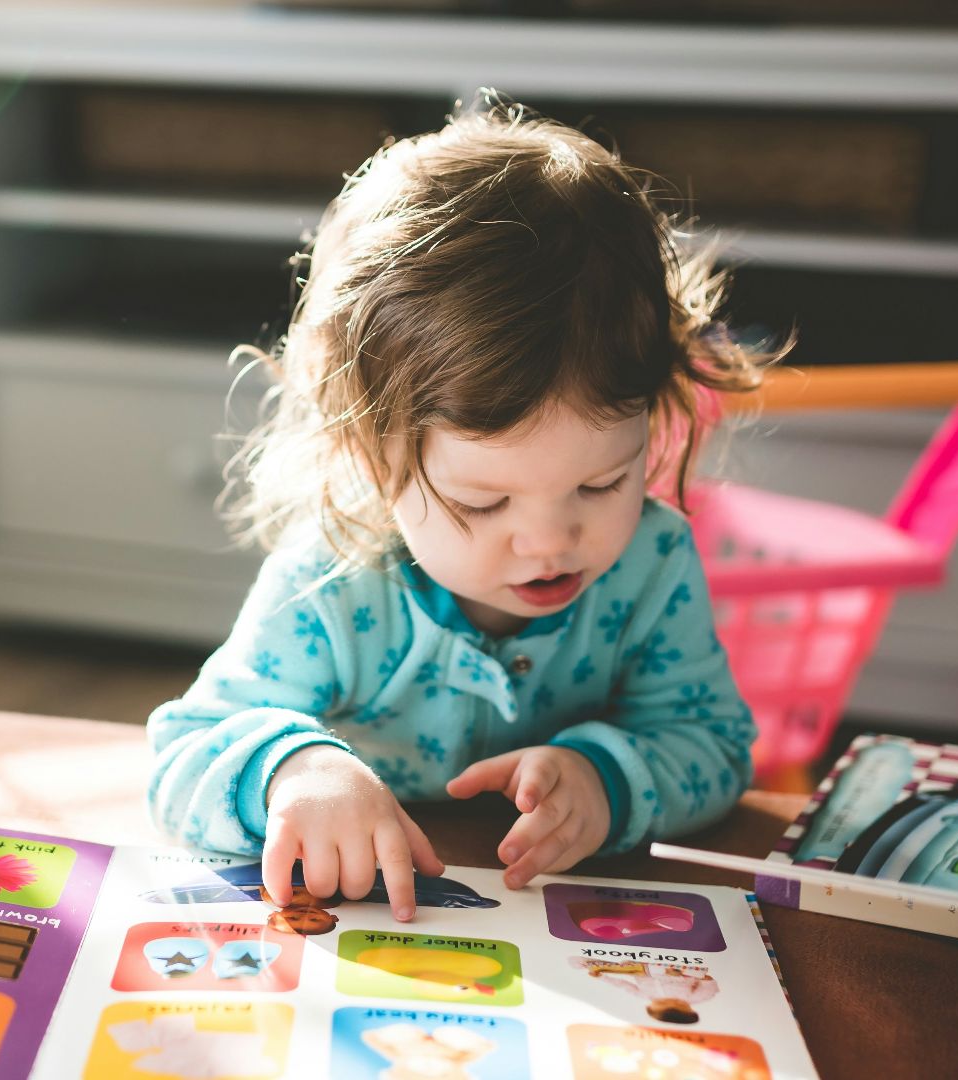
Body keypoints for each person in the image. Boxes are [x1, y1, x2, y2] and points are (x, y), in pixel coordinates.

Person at [146, 97, 773, 922]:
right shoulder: (331, 581)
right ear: (368, 455)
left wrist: (606, 780)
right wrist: (296, 771)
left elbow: (715, 748)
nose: (550, 540)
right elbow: (184, 752)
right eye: (483, 501)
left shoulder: (652, 565)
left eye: (602, 484)